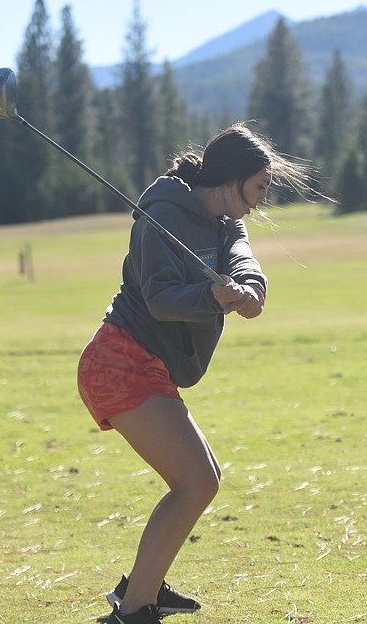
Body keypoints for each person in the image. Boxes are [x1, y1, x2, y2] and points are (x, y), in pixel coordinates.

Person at [77, 124, 317, 624]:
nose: (260, 201)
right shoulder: (159, 215)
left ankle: (141, 592)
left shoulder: (227, 220)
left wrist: (251, 290)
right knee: (196, 480)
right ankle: (135, 609)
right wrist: (210, 296)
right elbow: (161, 299)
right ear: (232, 180)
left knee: (199, 480)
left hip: (147, 365)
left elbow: (243, 261)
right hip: (118, 362)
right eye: (258, 189)